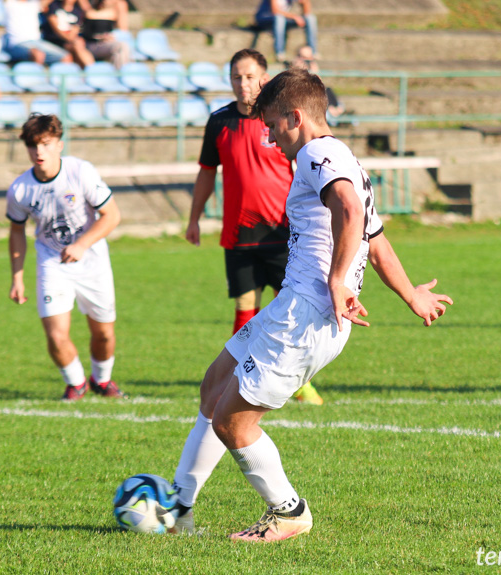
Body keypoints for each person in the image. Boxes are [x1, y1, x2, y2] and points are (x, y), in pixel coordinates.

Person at [166, 68, 453, 540]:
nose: (272, 139)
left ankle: (289, 511)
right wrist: (411, 294)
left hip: (307, 317)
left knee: (232, 424)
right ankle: (177, 509)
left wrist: (339, 280)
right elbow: (374, 238)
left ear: (295, 117)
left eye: (274, 126)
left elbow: (350, 211)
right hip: (291, 310)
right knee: (214, 385)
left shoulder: (318, 153)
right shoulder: (344, 159)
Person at [186, 48, 322, 405]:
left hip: (283, 231)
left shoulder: (279, 121)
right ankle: (238, 378)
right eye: (236, 77)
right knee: (246, 309)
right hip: (240, 234)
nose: (242, 84)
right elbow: (205, 173)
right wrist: (194, 218)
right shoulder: (219, 121)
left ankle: (297, 380)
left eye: (249, 77)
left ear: (264, 78)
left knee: (292, 309)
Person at [7, 113, 124, 402]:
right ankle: (76, 383)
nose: (39, 152)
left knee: (104, 335)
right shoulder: (20, 189)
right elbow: (16, 232)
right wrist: (17, 277)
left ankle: (102, 379)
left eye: (46, 144)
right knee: (56, 336)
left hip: (92, 261)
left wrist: (83, 244)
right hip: (52, 263)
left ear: (59, 144)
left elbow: (112, 215)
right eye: (33, 146)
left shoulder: (80, 172)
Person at [3, 0, 71, 65]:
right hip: (17, 43)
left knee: (65, 57)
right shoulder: (10, 3)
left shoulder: (34, 4)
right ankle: (36, 76)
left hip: (37, 42)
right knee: (38, 54)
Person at [290, 45, 344, 122]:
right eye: (303, 57)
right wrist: (297, 70)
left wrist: (315, 74)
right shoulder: (291, 73)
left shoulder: (314, 69)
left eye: (309, 57)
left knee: (327, 90)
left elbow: (319, 88)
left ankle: (335, 112)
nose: (307, 61)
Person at [41, 0, 94, 68]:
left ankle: (91, 71)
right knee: (76, 46)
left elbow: (75, 30)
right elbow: (56, 28)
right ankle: (91, 71)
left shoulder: (77, 10)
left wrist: (72, 39)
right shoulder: (53, 6)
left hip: (70, 42)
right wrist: (70, 38)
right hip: (54, 41)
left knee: (78, 46)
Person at [80, 0, 129, 68]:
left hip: (106, 44)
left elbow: (123, 28)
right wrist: (100, 37)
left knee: (123, 47)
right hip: (92, 44)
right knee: (121, 47)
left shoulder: (113, 12)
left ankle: (121, 72)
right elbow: (87, 33)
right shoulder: (89, 13)